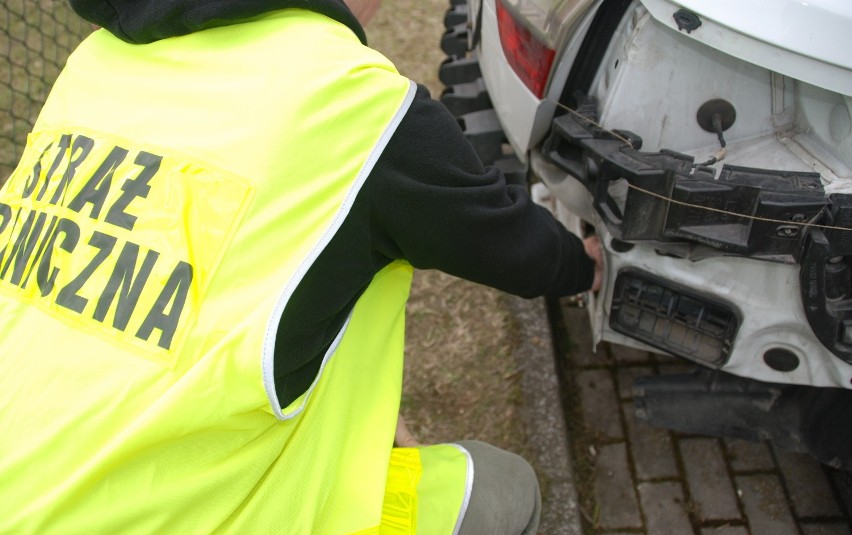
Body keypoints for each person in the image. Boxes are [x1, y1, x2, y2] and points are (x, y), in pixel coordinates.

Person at [0, 0, 602, 533]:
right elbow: (507, 242)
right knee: (505, 488)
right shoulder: (353, 100)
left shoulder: (94, 62)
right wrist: (587, 266)